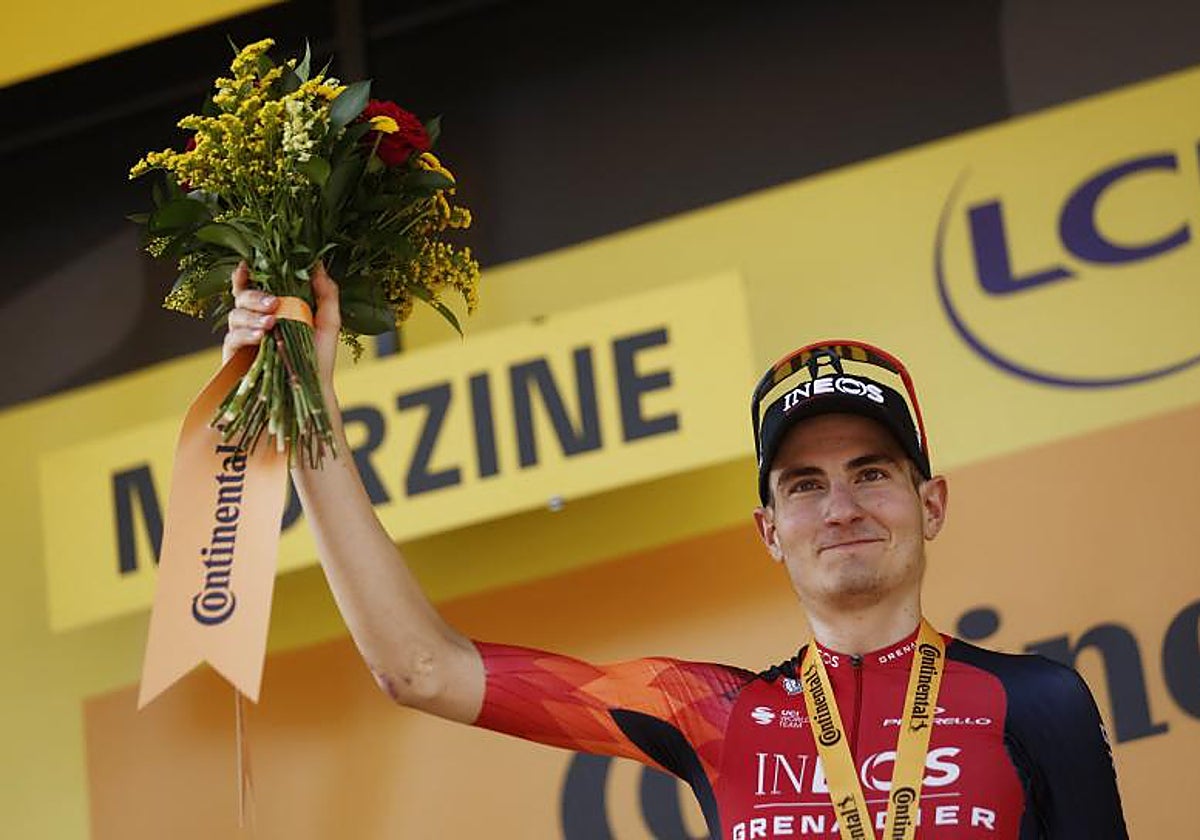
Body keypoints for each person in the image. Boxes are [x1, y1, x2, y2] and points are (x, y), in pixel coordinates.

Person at [225, 263, 1129, 839]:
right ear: (769, 531)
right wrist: (310, 400)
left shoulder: (1037, 700)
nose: (841, 507)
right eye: (804, 486)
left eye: (872, 472)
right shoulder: (712, 713)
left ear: (930, 503)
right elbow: (420, 668)